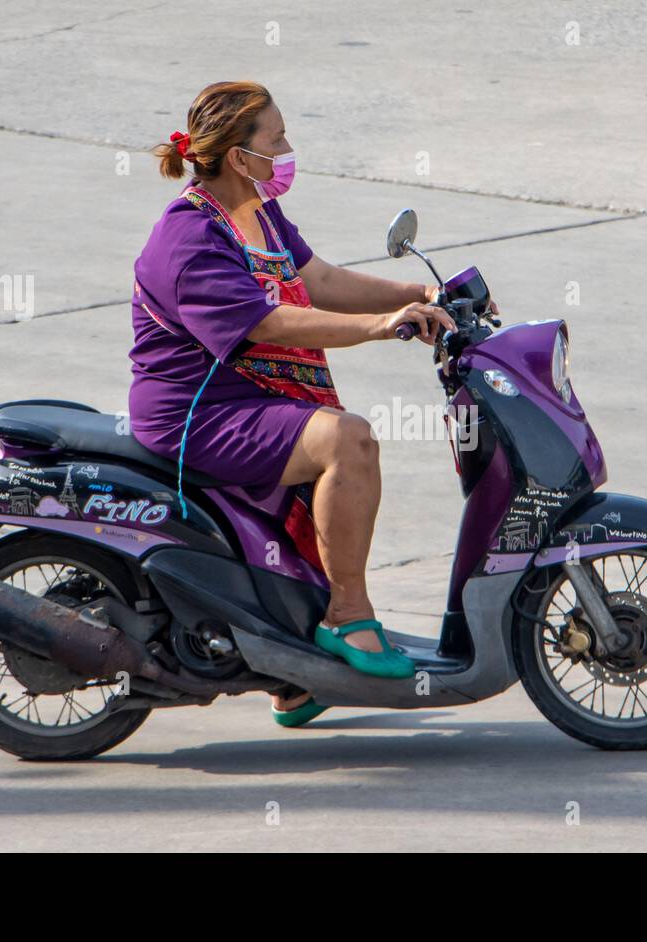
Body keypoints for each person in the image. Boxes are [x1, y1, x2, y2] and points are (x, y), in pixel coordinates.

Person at [128, 81, 454, 727]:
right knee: (346, 441)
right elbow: (270, 324)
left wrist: (423, 289)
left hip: (251, 396)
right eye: (275, 140)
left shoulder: (256, 212)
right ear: (235, 154)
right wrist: (384, 325)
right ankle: (347, 616)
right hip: (199, 412)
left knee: (337, 445)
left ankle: (295, 676)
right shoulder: (189, 237)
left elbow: (321, 280)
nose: (287, 151)